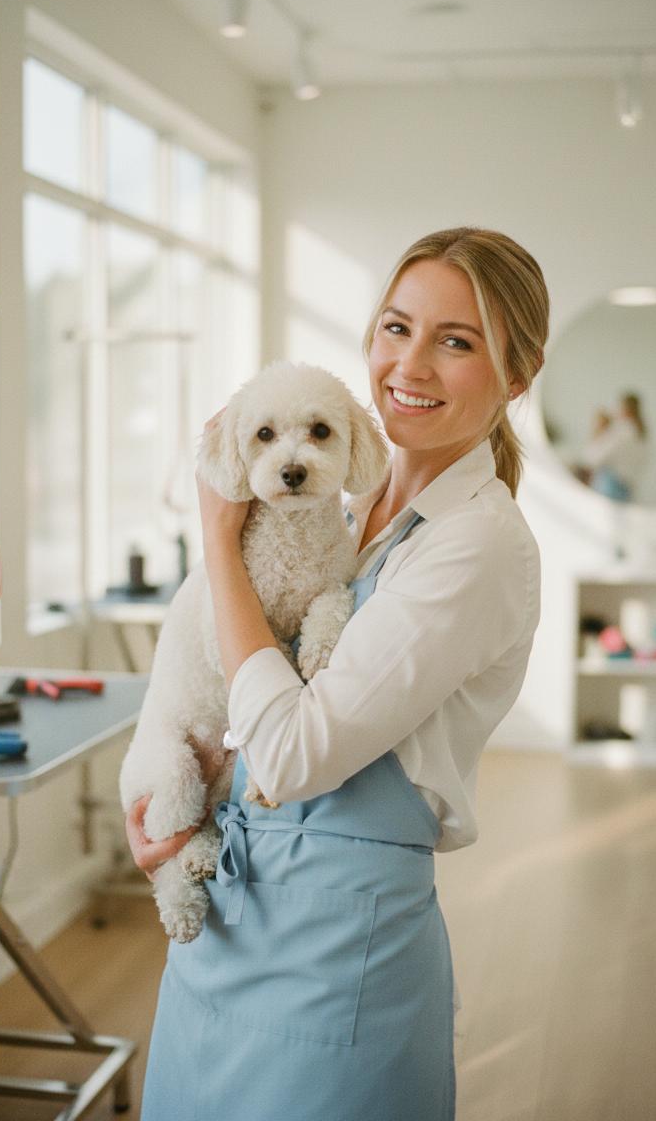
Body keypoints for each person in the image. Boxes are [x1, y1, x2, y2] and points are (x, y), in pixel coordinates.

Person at [124, 226, 548, 1120]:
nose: (412, 363)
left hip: (333, 951)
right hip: (230, 917)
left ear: (516, 378)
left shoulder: (475, 545)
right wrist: (171, 822)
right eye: (397, 327)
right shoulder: (346, 509)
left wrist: (216, 540)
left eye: (457, 340)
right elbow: (239, 698)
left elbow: (290, 754)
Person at [579, 391, 647, 502]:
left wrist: (597, 432)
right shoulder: (641, 433)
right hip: (627, 488)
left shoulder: (621, 431)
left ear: (624, 408)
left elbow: (592, 459)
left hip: (609, 486)